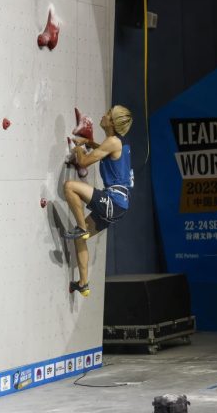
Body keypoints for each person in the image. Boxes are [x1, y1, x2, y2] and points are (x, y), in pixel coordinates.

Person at [63, 105, 133, 297]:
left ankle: (81, 227)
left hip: (114, 200)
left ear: (112, 123)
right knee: (79, 240)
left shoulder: (112, 142)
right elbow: (103, 151)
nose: (103, 115)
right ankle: (83, 284)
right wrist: (89, 142)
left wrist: (78, 148)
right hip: (119, 206)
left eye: (108, 115)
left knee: (69, 186)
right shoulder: (117, 143)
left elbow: (84, 162)